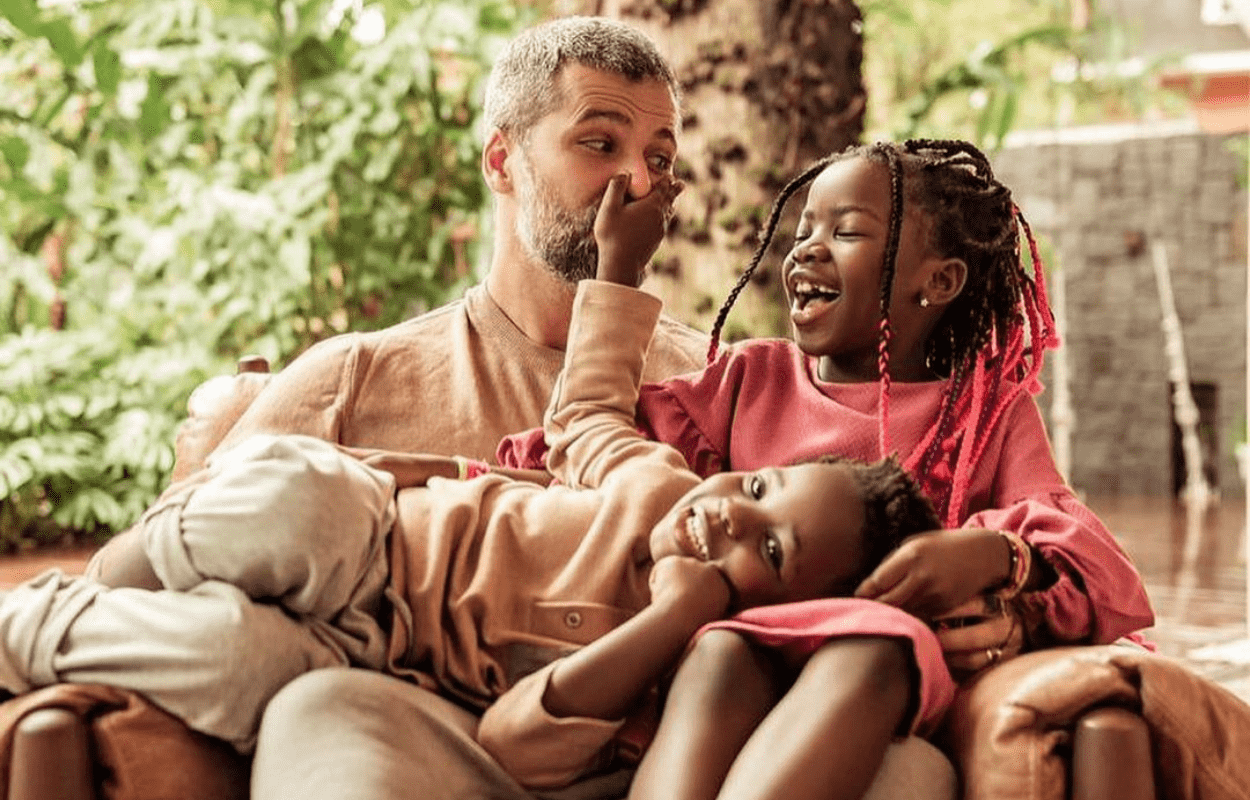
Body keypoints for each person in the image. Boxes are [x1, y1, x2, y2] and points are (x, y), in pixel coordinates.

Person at [0, 177, 951, 798]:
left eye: (768, 552)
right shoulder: (661, 486)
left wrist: (665, 622)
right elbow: (585, 416)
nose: (727, 522)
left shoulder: (670, 681)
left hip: (363, 652)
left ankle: (27, 630)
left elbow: (517, 742)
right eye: (755, 491)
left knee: (235, 667)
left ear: (780, 615)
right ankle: (140, 558)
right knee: (292, 501)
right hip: (383, 534)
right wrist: (617, 272)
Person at [500, 139, 1155, 678]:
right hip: (741, 670)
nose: (807, 249)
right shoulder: (750, 380)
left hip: (892, 683)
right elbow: (587, 441)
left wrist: (995, 556)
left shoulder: (988, 414)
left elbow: (1101, 570)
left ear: (940, 281)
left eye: (847, 232)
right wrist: (617, 269)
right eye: (803, 229)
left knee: (1110, 708)